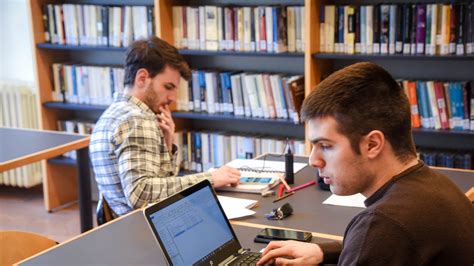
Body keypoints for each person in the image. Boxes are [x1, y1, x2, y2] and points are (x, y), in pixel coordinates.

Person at [257, 62, 474, 265]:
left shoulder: (383, 226)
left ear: (372, 144)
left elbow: (380, 241)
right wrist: (323, 252)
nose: (314, 160)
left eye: (326, 145)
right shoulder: (434, 185)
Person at [89, 36, 240, 217]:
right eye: (168, 87)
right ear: (142, 78)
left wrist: (166, 148)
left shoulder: (111, 115)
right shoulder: (137, 120)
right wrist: (210, 178)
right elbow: (141, 194)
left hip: (127, 228)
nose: (172, 98)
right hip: (146, 233)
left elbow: (156, 189)